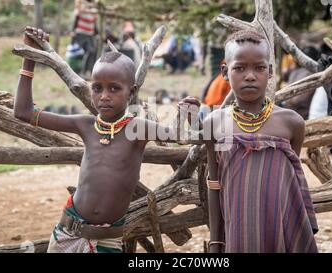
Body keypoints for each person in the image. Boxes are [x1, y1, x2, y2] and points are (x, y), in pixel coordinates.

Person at [15, 26, 198, 253]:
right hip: (67, 234)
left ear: (131, 92)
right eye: (97, 88)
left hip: (108, 242)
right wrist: (29, 55)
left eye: (114, 89)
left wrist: (186, 113)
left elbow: (176, 134)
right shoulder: (84, 125)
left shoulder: (137, 129)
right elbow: (23, 112)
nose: (104, 96)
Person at [201, 29, 318, 253]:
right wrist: (216, 241)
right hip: (238, 232)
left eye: (259, 68)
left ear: (270, 71)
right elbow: (214, 186)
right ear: (225, 72)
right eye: (240, 68)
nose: (250, 76)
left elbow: (290, 185)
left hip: (280, 229)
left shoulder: (291, 123)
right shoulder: (214, 123)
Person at [72, 0, 99, 78]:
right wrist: (73, 30)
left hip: (90, 34)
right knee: (79, 53)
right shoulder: (81, 3)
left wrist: (97, 33)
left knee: (91, 52)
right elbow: (76, 18)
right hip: (80, 33)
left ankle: (85, 71)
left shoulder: (94, 8)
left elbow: (94, 23)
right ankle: (77, 72)